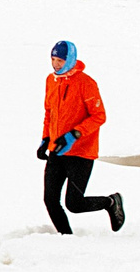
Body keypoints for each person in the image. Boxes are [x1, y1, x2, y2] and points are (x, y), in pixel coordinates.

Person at [39, 39, 123, 234]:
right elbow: (49, 113)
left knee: (74, 204)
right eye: (53, 59)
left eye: (59, 60)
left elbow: (99, 116)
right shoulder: (51, 81)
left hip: (81, 152)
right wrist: (45, 140)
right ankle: (66, 237)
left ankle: (111, 202)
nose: (55, 64)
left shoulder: (86, 83)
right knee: (50, 200)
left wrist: (74, 135)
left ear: (70, 60)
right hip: (57, 150)